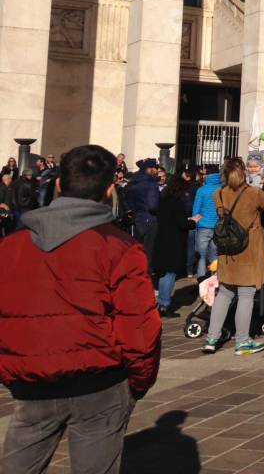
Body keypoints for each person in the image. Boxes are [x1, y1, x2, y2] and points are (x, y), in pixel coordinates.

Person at [0, 145, 161, 474]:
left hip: (36, 384)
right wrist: (139, 380)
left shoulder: (11, 246)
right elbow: (140, 326)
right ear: (109, 190)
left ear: (58, 185)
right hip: (99, 382)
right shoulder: (120, 247)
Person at [202, 157, 264, 355]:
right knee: (246, 295)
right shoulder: (253, 193)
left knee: (225, 293)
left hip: (227, 250)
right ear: (243, 172)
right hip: (249, 249)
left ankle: (212, 337)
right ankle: (243, 341)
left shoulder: (218, 194)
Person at [153, 176, 199, 317]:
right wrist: (193, 221)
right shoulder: (177, 203)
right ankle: (165, 304)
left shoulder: (162, 200)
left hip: (162, 239)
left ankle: (160, 302)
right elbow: (181, 223)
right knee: (170, 273)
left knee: (163, 273)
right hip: (173, 242)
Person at [126, 157, 161, 274]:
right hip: (149, 219)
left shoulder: (133, 181)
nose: (157, 171)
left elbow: (129, 201)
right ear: (149, 169)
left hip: (137, 218)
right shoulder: (151, 183)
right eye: (155, 168)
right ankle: (145, 278)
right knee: (148, 252)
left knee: (137, 250)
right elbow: (153, 205)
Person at [191, 164, 222, 280]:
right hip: (218, 226)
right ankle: (214, 279)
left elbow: (196, 210)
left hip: (203, 226)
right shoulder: (222, 189)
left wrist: (196, 223)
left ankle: (201, 281)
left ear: (207, 175)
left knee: (201, 256)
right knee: (215, 255)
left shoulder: (202, 190)